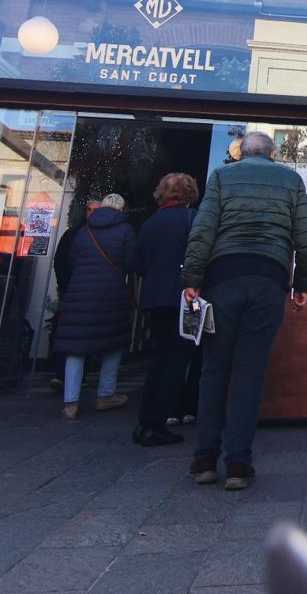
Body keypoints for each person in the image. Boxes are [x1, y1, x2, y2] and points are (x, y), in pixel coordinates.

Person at [182, 132, 307, 490]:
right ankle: (239, 464)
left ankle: (205, 460)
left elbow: (203, 228)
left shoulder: (223, 176)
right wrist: (302, 284)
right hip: (268, 280)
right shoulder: (291, 179)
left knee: (214, 370)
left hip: (222, 279)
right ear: (272, 153)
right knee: (249, 372)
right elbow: (305, 234)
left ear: (242, 152)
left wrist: (193, 278)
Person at [51, 193, 137, 419]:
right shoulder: (125, 230)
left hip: (79, 293)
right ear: (121, 209)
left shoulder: (82, 232)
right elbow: (132, 262)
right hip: (111, 293)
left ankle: (71, 402)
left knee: (76, 346)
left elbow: (71, 260)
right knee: (112, 343)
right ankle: (105, 394)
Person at [133, 173, 201, 447]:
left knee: (159, 358)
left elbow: (138, 263)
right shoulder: (191, 219)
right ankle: (163, 419)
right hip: (185, 297)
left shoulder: (150, 223)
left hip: (154, 297)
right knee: (179, 358)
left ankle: (147, 420)